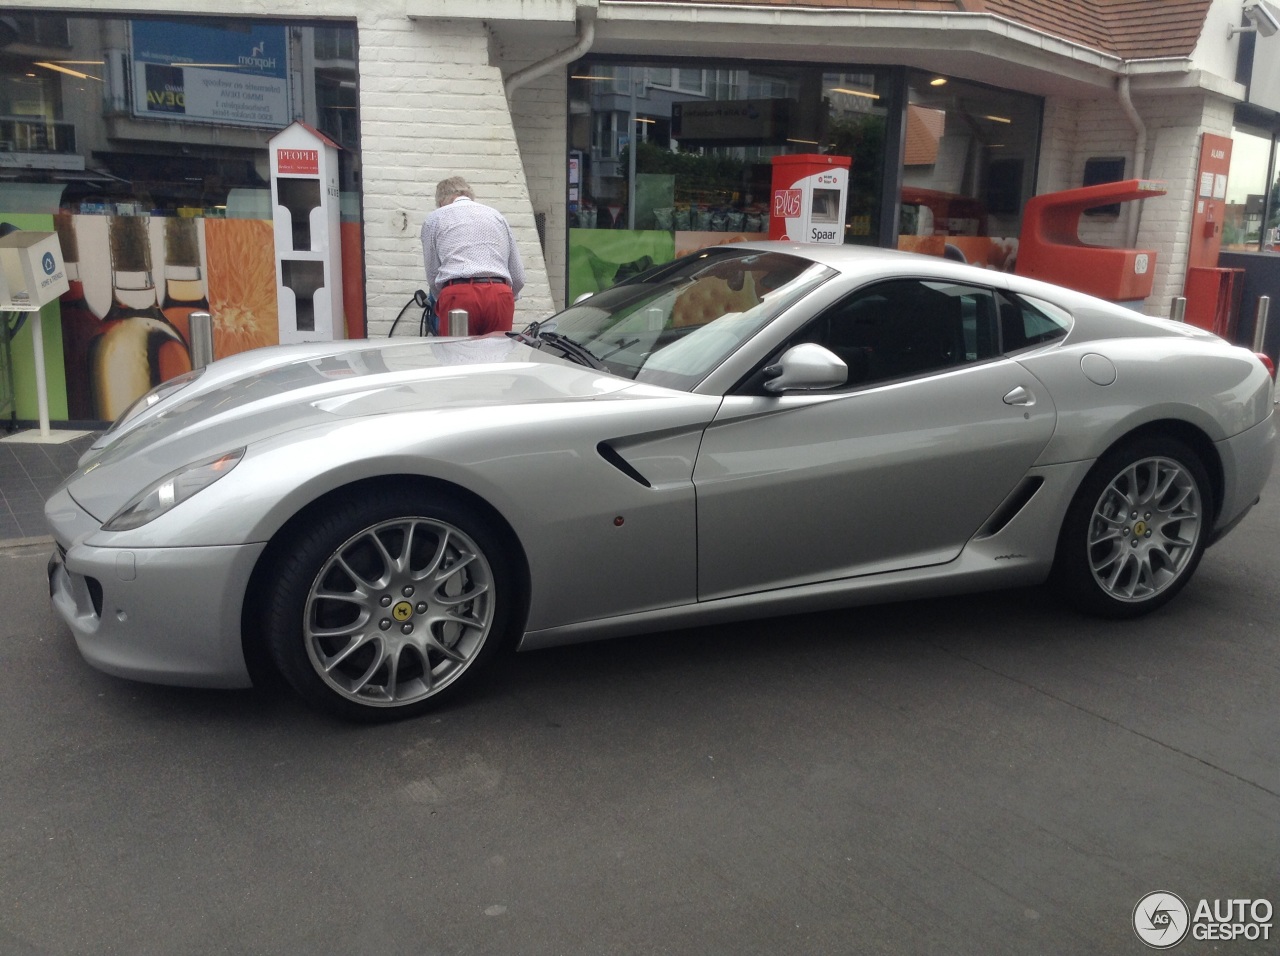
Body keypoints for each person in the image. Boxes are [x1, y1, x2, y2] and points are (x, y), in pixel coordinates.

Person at [420, 176, 526, 335]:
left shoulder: (435, 218)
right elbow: (518, 275)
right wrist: (507, 296)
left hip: (458, 294)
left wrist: (441, 299)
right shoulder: (497, 216)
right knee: (498, 357)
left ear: (442, 201)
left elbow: (433, 273)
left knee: (457, 357)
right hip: (499, 293)